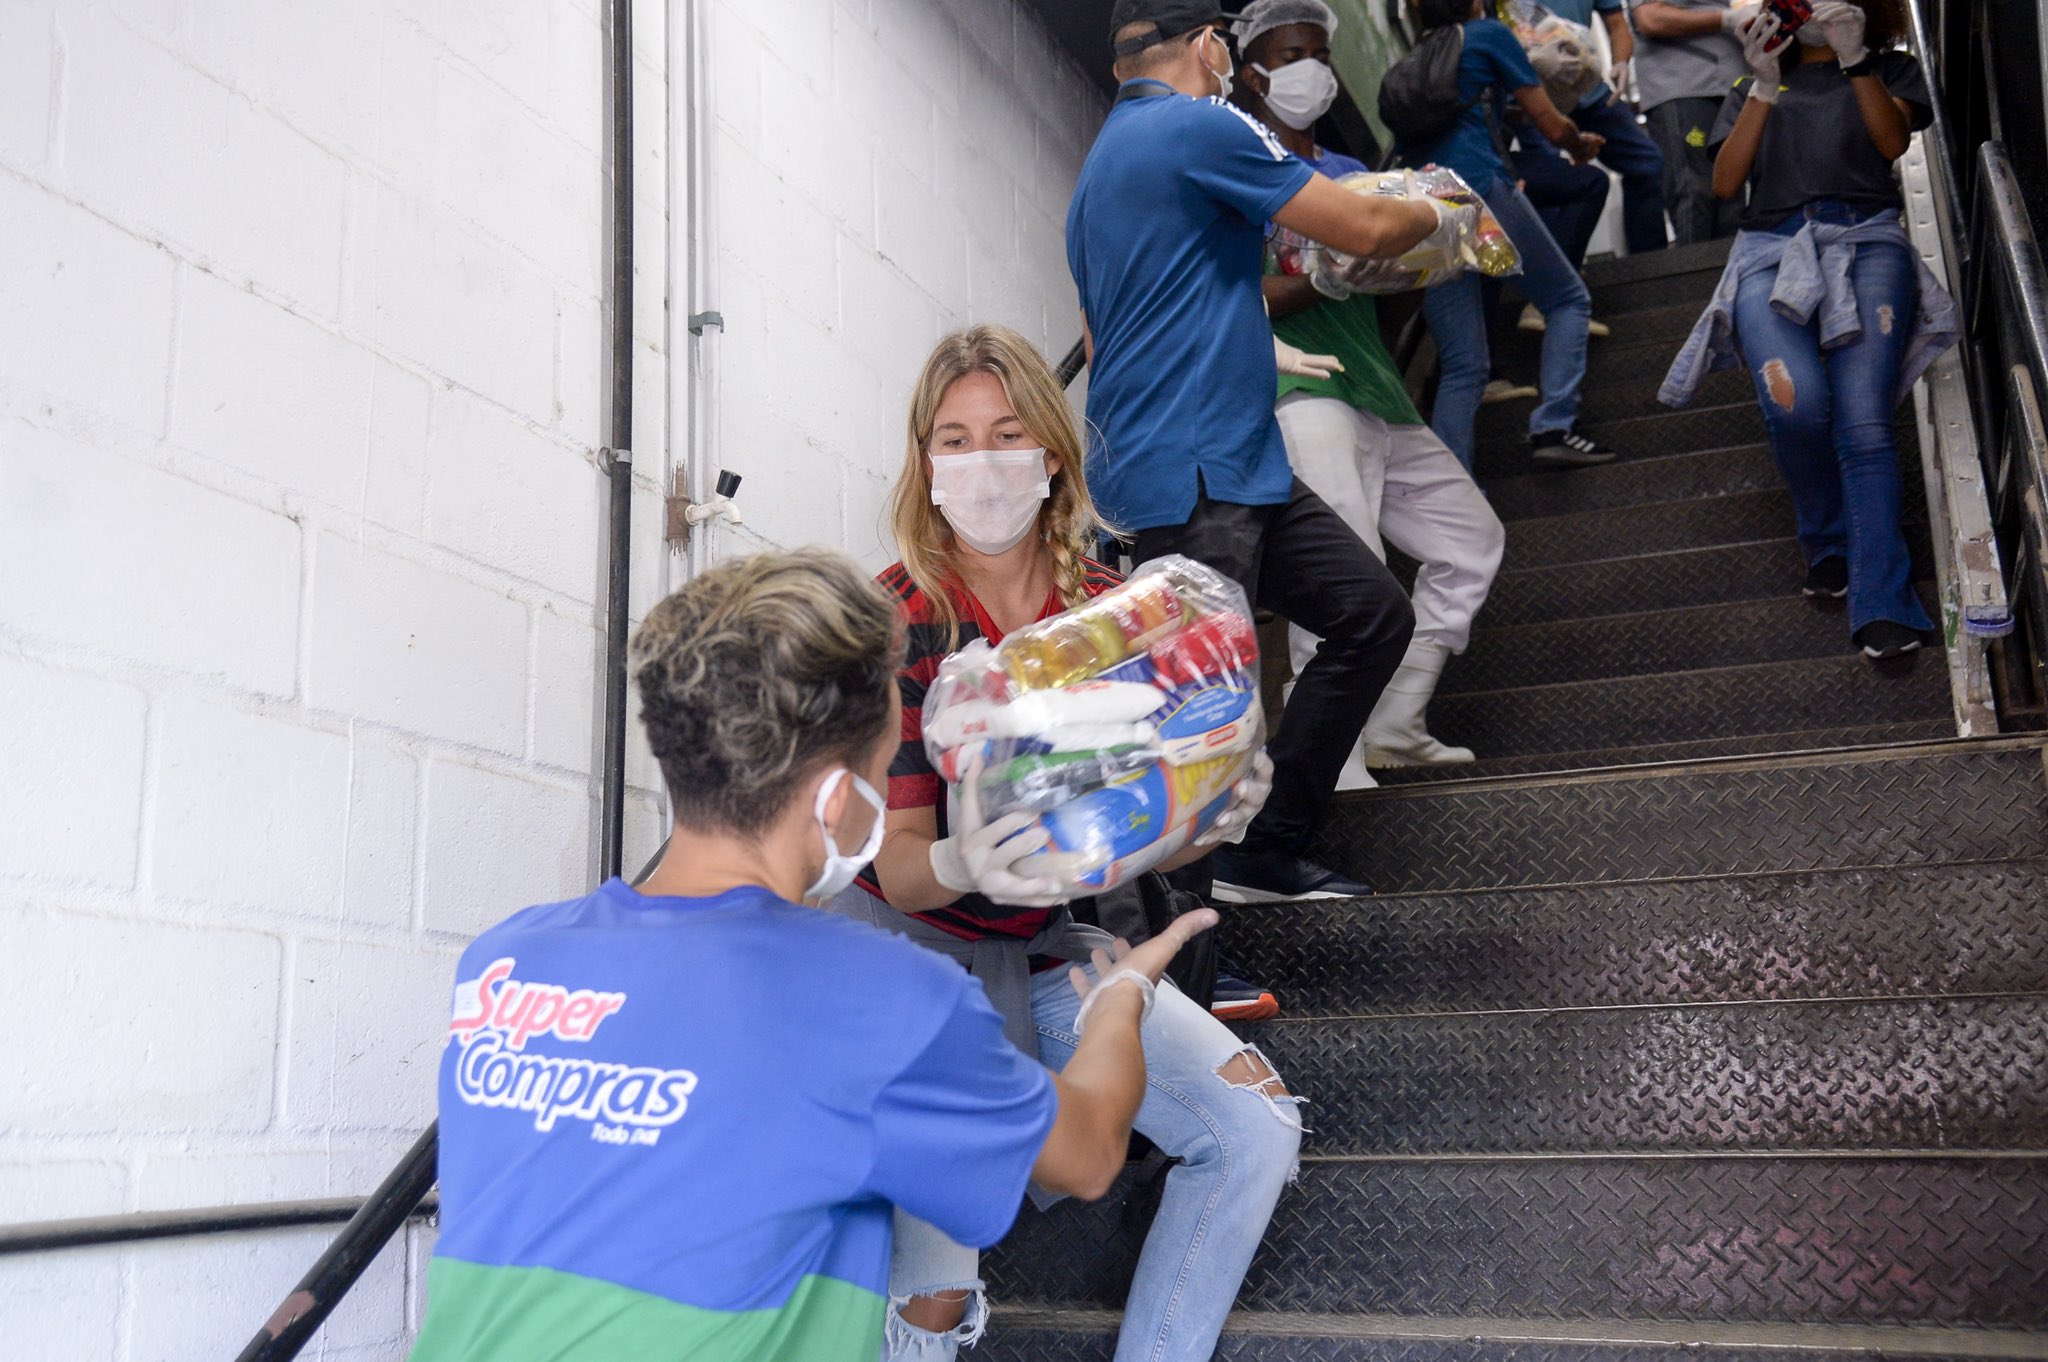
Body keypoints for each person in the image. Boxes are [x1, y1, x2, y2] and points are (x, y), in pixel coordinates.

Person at [408, 549, 1219, 1362]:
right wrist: (1121, 998)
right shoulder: (881, 1001)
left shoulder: (505, 963)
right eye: (883, 762)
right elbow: (1086, 1154)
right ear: (839, 796)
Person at [836, 325, 1302, 1362]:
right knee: (934, 1287)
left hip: (1037, 956)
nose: (981, 461)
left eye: (1006, 433)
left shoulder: (1113, 613)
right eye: (952, 440)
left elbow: (1144, 821)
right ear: (923, 463)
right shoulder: (890, 623)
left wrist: (1211, 802)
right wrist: (962, 862)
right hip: (896, 971)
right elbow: (901, 864)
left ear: (1051, 452)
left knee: (1250, 1132)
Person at [1068, 0, 1475, 901]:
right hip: (1192, 471)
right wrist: (1435, 210)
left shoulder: (1100, 172)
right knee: (1197, 716)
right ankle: (1189, 964)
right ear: (1212, 46)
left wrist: (1246, 343)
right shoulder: (1197, 126)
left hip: (1228, 461)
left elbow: (1104, 340)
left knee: (1373, 616)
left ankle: (1267, 845)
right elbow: (1362, 228)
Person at [1231, 0, 1507, 781]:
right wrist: (1319, 272)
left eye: (1320, 51)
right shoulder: (1239, 168)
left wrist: (1428, 251)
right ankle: (1334, 767)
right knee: (1343, 579)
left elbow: (1387, 274)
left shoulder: (1355, 177)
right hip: (1298, 391)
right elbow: (1235, 296)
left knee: (1471, 541)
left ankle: (1391, 720)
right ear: (1254, 72)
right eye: (1293, 54)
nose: (1312, 68)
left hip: (1378, 390)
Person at [1660, 0, 1958, 659]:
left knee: (1864, 420)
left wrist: (1855, 59)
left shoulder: (1890, 69)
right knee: (1797, 404)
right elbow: (1725, 181)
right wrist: (1763, 83)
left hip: (1867, 240)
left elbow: (1891, 144)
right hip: (1769, 248)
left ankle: (1883, 602)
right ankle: (1827, 539)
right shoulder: (1751, 82)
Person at [1397, 0, 1622, 469]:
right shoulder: (1489, 36)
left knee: (1464, 364)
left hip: (1423, 205)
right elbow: (1551, 123)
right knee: (1566, 301)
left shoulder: (1419, 54)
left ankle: (1458, 492)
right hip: (1475, 197)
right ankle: (1554, 426)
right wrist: (1579, 146)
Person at [1509, 0, 1671, 261]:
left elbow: (1617, 25)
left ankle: (1649, 262)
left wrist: (1620, 63)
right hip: (1533, 96)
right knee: (1555, 182)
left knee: (1647, 162)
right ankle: (1560, 275)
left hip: (1587, 90)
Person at [1629, 0, 1752, 243]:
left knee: (1733, 198)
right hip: (1684, 85)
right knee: (1694, 192)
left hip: (1732, 84)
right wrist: (1725, 19)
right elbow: (1650, 18)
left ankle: (1726, 278)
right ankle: (1692, 279)